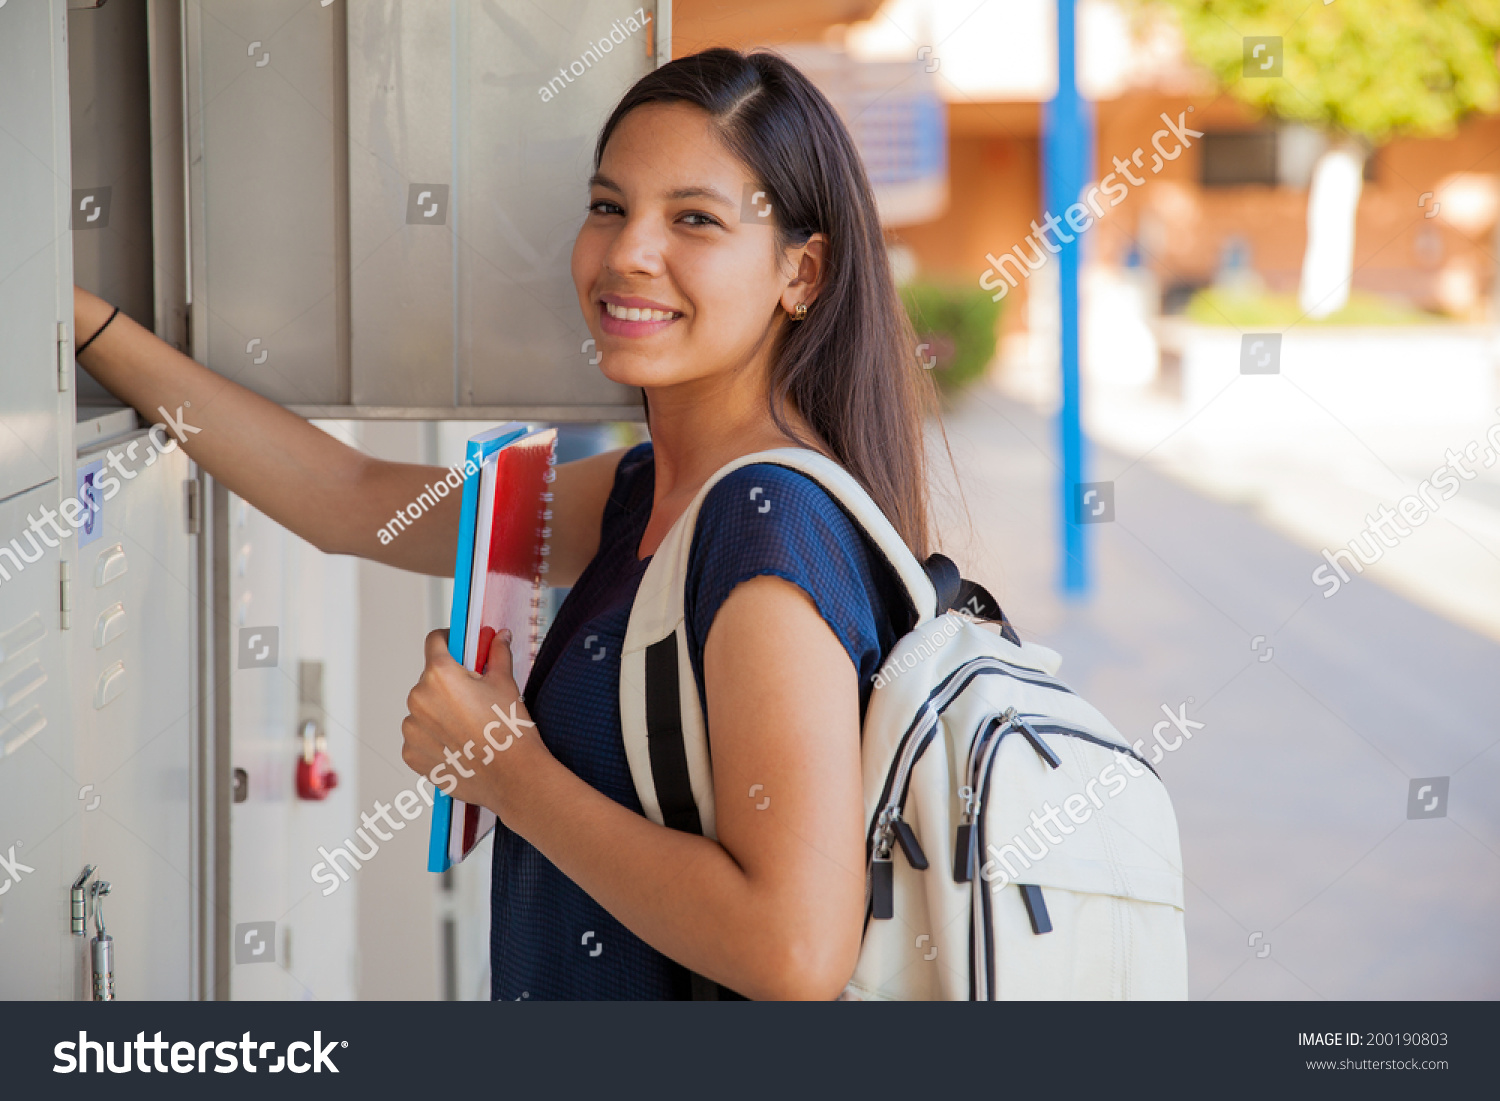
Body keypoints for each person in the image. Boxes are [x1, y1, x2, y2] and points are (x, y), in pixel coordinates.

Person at [73, 48, 943, 1000]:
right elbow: (354, 499)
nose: (626, 253)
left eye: (694, 218)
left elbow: (793, 952)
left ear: (802, 272)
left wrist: (505, 767)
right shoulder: (651, 492)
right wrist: (82, 328)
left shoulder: (765, 530)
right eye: (609, 206)